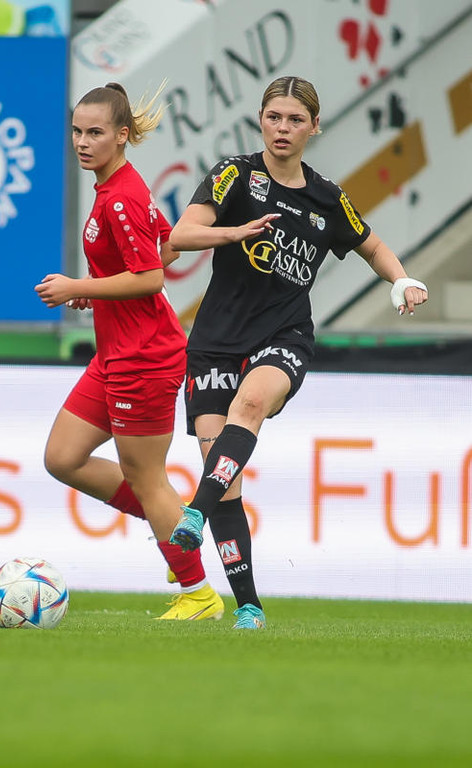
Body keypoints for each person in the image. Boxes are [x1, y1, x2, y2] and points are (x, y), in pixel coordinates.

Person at [167, 75, 428, 629]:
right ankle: (249, 606)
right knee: (226, 483)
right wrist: (233, 232)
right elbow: (180, 236)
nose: (282, 128)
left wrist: (401, 279)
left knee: (250, 406)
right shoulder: (234, 175)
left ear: (315, 127)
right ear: (260, 120)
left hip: (283, 336)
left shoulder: (327, 198)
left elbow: (372, 245)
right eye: (274, 117)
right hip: (214, 342)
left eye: (295, 120)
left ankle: (194, 511)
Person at [34, 82, 224, 621]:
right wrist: (101, 293)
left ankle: (199, 596)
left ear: (121, 135)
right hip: (116, 352)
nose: (82, 142)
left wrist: (79, 287)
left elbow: (150, 277)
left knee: (146, 477)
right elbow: (165, 244)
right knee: (63, 457)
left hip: (144, 357)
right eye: (77, 131)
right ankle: (175, 524)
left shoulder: (120, 196)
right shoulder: (117, 188)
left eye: (94, 132)